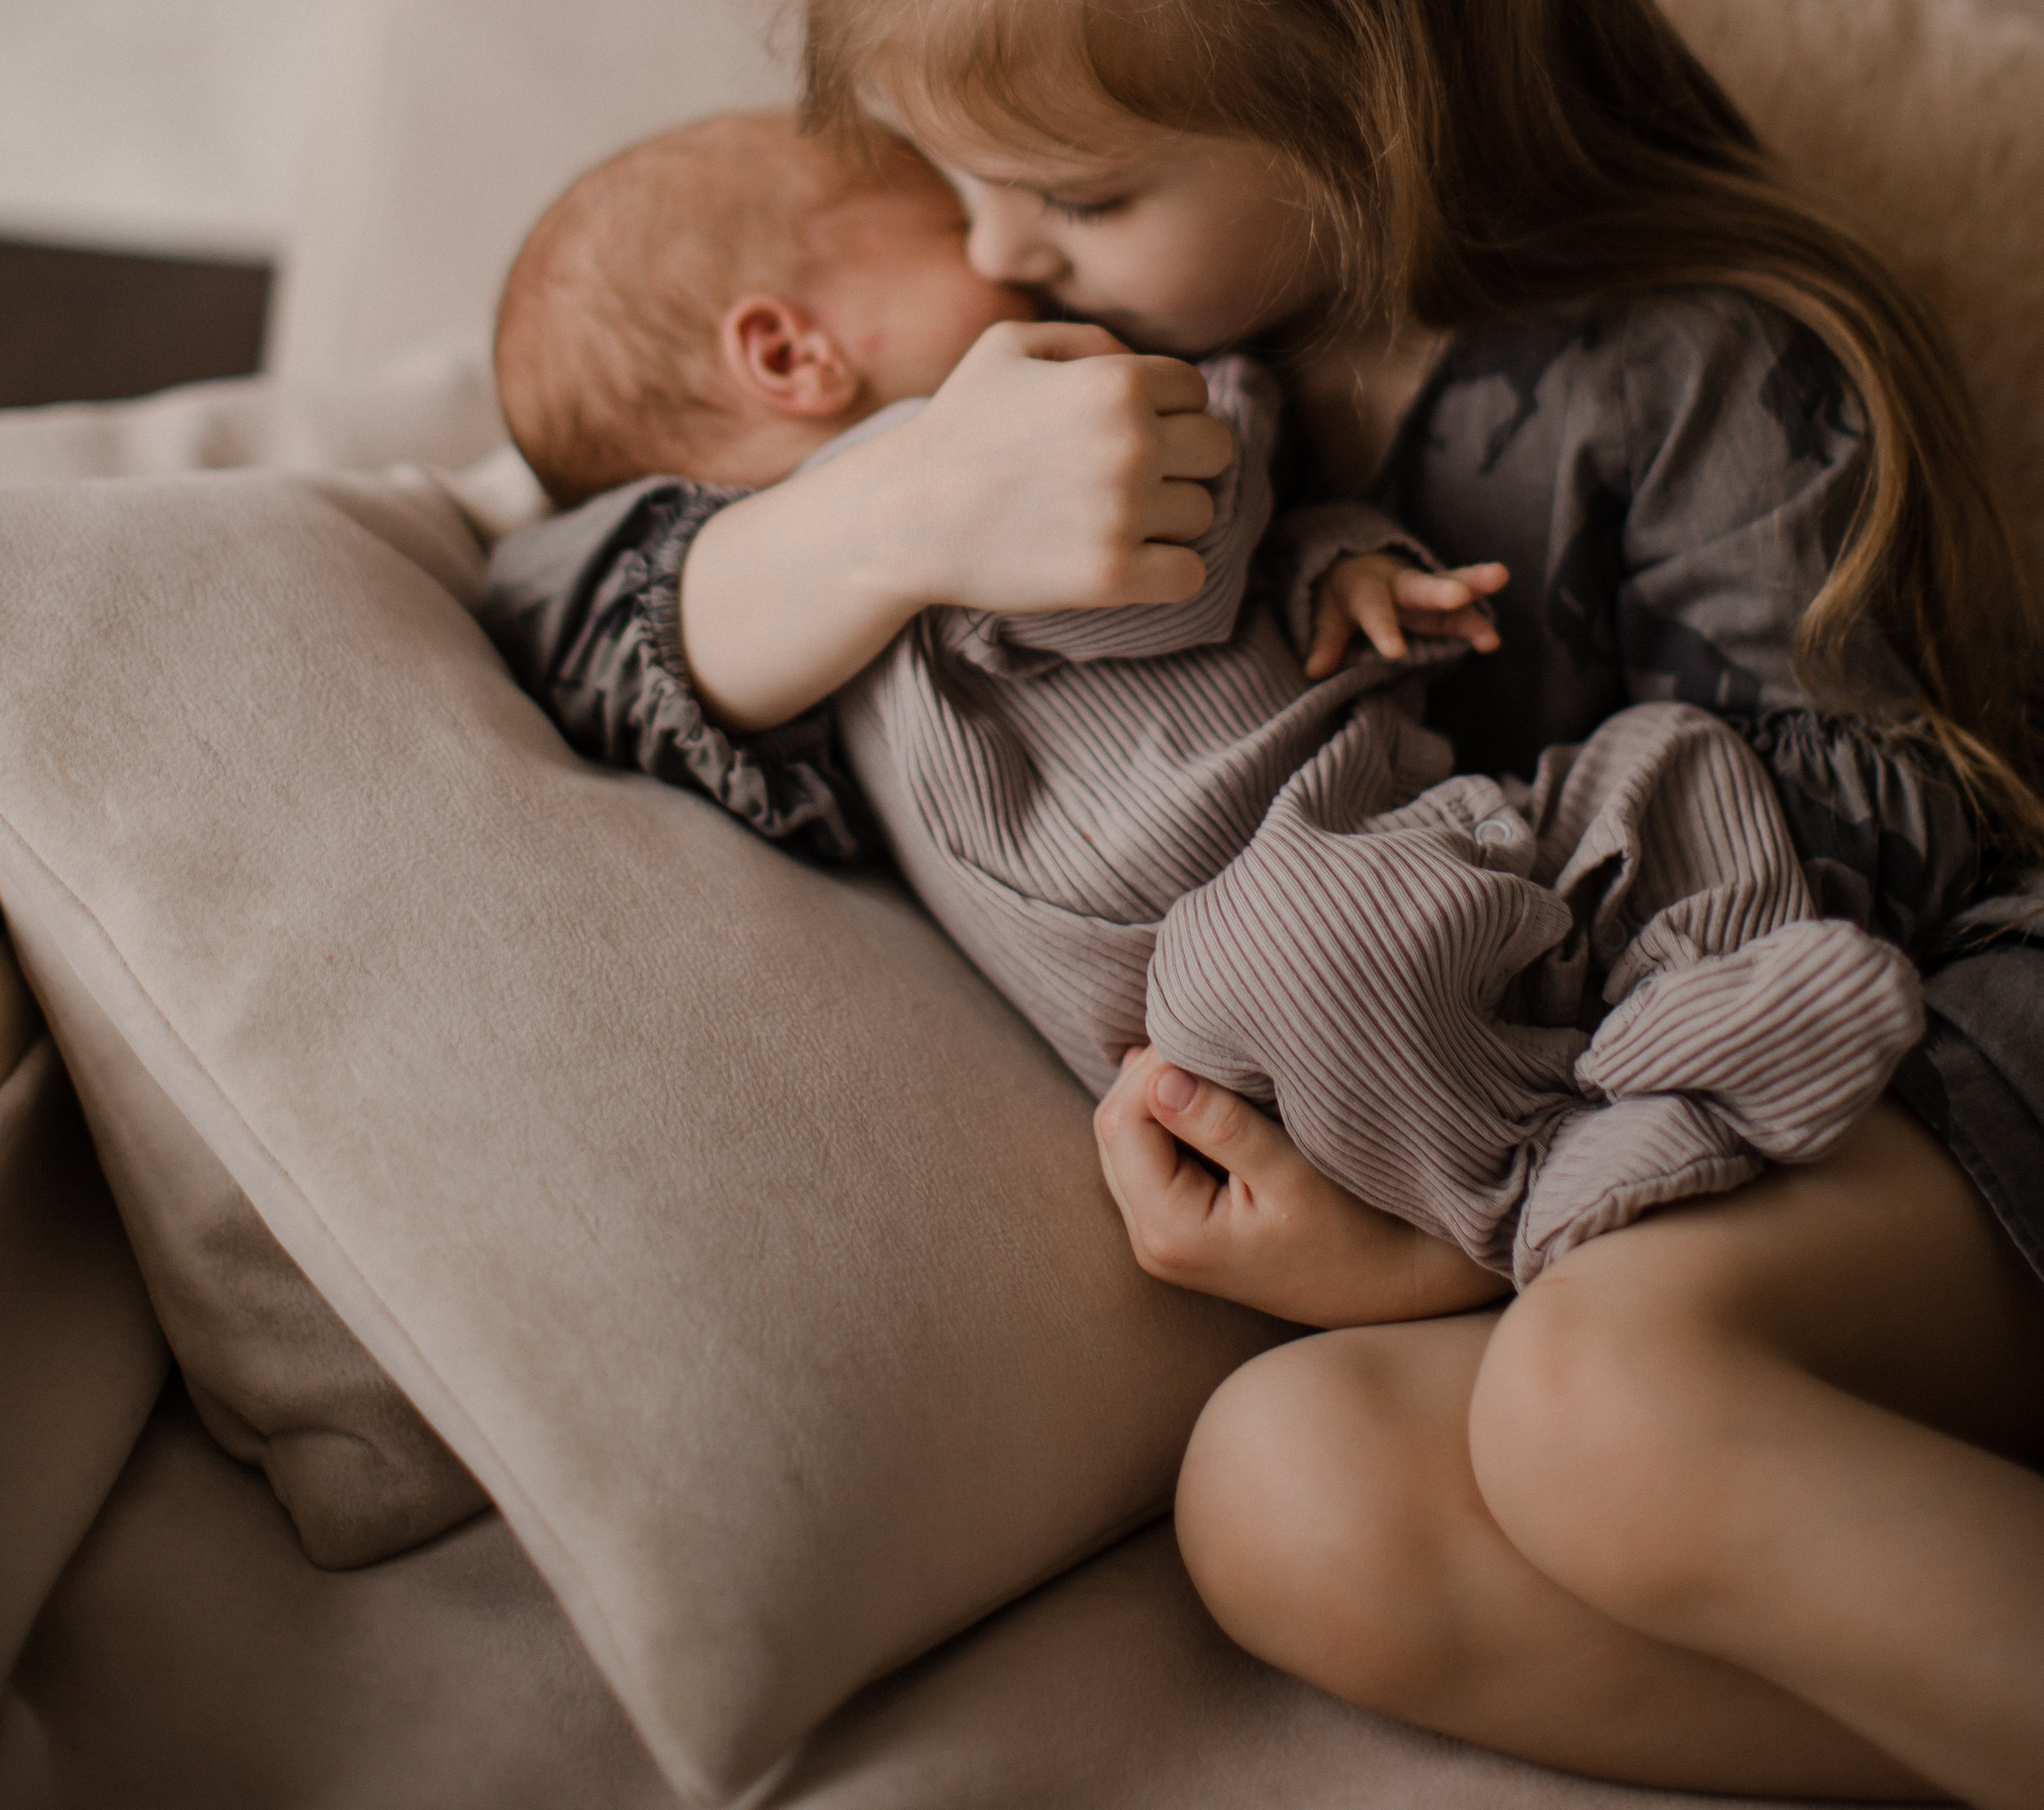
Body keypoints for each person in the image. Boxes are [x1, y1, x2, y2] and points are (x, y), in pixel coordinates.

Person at [553, 0, 2044, 1802]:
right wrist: (885, 514)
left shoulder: (1709, 374)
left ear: (1373, 110)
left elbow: (1838, 891)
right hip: (1588, 1213)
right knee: (1284, 1497)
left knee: (1600, 1402)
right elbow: (569, 595)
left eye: (1075, 194)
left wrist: (1444, 1094)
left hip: (1930, 1078)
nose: (983, 251)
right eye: (946, 176)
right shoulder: (1039, 365)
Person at [485, 115, 1921, 1285]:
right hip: (1269, 960)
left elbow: (1194, 598)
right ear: (792, 354)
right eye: (952, 225)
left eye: (1050, 198)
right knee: (1308, 941)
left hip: (1415, 849)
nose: (1007, 254)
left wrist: (1334, 556)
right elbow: (1149, 583)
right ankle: (1566, 1161)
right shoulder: (950, 477)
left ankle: (1704, 986)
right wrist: (1222, 400)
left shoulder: (935, 536)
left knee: (1666, 759)